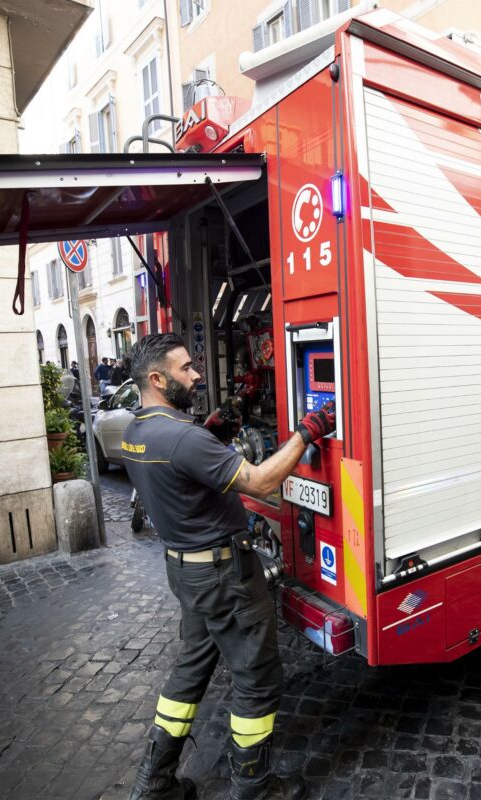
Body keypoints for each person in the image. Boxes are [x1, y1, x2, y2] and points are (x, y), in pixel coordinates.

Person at [122, 333, 333, 800]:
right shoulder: (182, 437)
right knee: (256, 679)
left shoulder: (136, 432)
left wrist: (213, 436)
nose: (196, 375)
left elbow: (180, 473)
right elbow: (259, 482)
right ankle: (254, 787)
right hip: (225, 577)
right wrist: (307, 431)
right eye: (185, 369)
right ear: (157, 379)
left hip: (187, 575)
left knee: (191, 669)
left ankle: (153, 782)